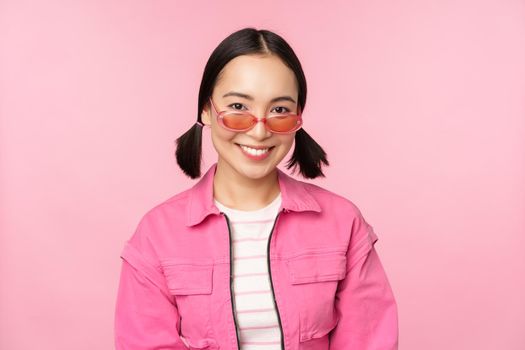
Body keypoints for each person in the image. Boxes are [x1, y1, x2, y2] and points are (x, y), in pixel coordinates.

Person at [114, 27, 398, 350]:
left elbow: (369, 340)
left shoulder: (344, 224)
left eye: (279, 110)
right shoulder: (155, 236)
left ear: (297, 119)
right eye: (238, 107)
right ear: (206, 110)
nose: (260, 130)